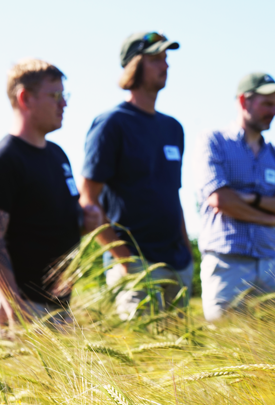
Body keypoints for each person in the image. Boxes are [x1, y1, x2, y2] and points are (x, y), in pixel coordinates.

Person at [78, 31, 193, 321]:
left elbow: (172, 193)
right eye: (156, 59)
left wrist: (186, 251)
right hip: (135, 264)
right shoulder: (112, 124)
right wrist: (125, 261)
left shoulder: (173, 128)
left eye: (166, 58)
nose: (165, 65)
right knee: (141, 363)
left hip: (177, 264)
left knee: (183, 361)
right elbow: (88, 199)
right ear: (133, 65)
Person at [0, 59, 101, 324]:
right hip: (25, 309)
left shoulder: (58, 155)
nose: (64, 104)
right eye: (55, 96)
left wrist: (84, 220)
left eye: (64, 95)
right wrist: (15, 306)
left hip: (61, 308)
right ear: (25, 98)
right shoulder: (3, 160)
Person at [193, 72, 275, 322]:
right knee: (225, 348)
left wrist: (249, 199)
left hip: (269, 264)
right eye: (268, 104)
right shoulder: (214, 141)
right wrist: (269, 217)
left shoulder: (274, 155)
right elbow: (220, 199)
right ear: (244, 101)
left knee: (268, 353)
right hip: (228, 263)